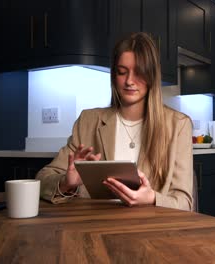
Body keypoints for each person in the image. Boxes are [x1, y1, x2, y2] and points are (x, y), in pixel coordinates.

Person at [36, 32, 193, 211]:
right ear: (113, 75)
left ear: (151, 77)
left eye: (139, 73)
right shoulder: (88, 121)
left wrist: (152, 198)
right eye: (122, 72)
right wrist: (66, 183)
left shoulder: (178, 125)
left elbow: (185, 203)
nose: (129, 81)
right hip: (95, 228)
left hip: (152, 229)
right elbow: (43, 178)